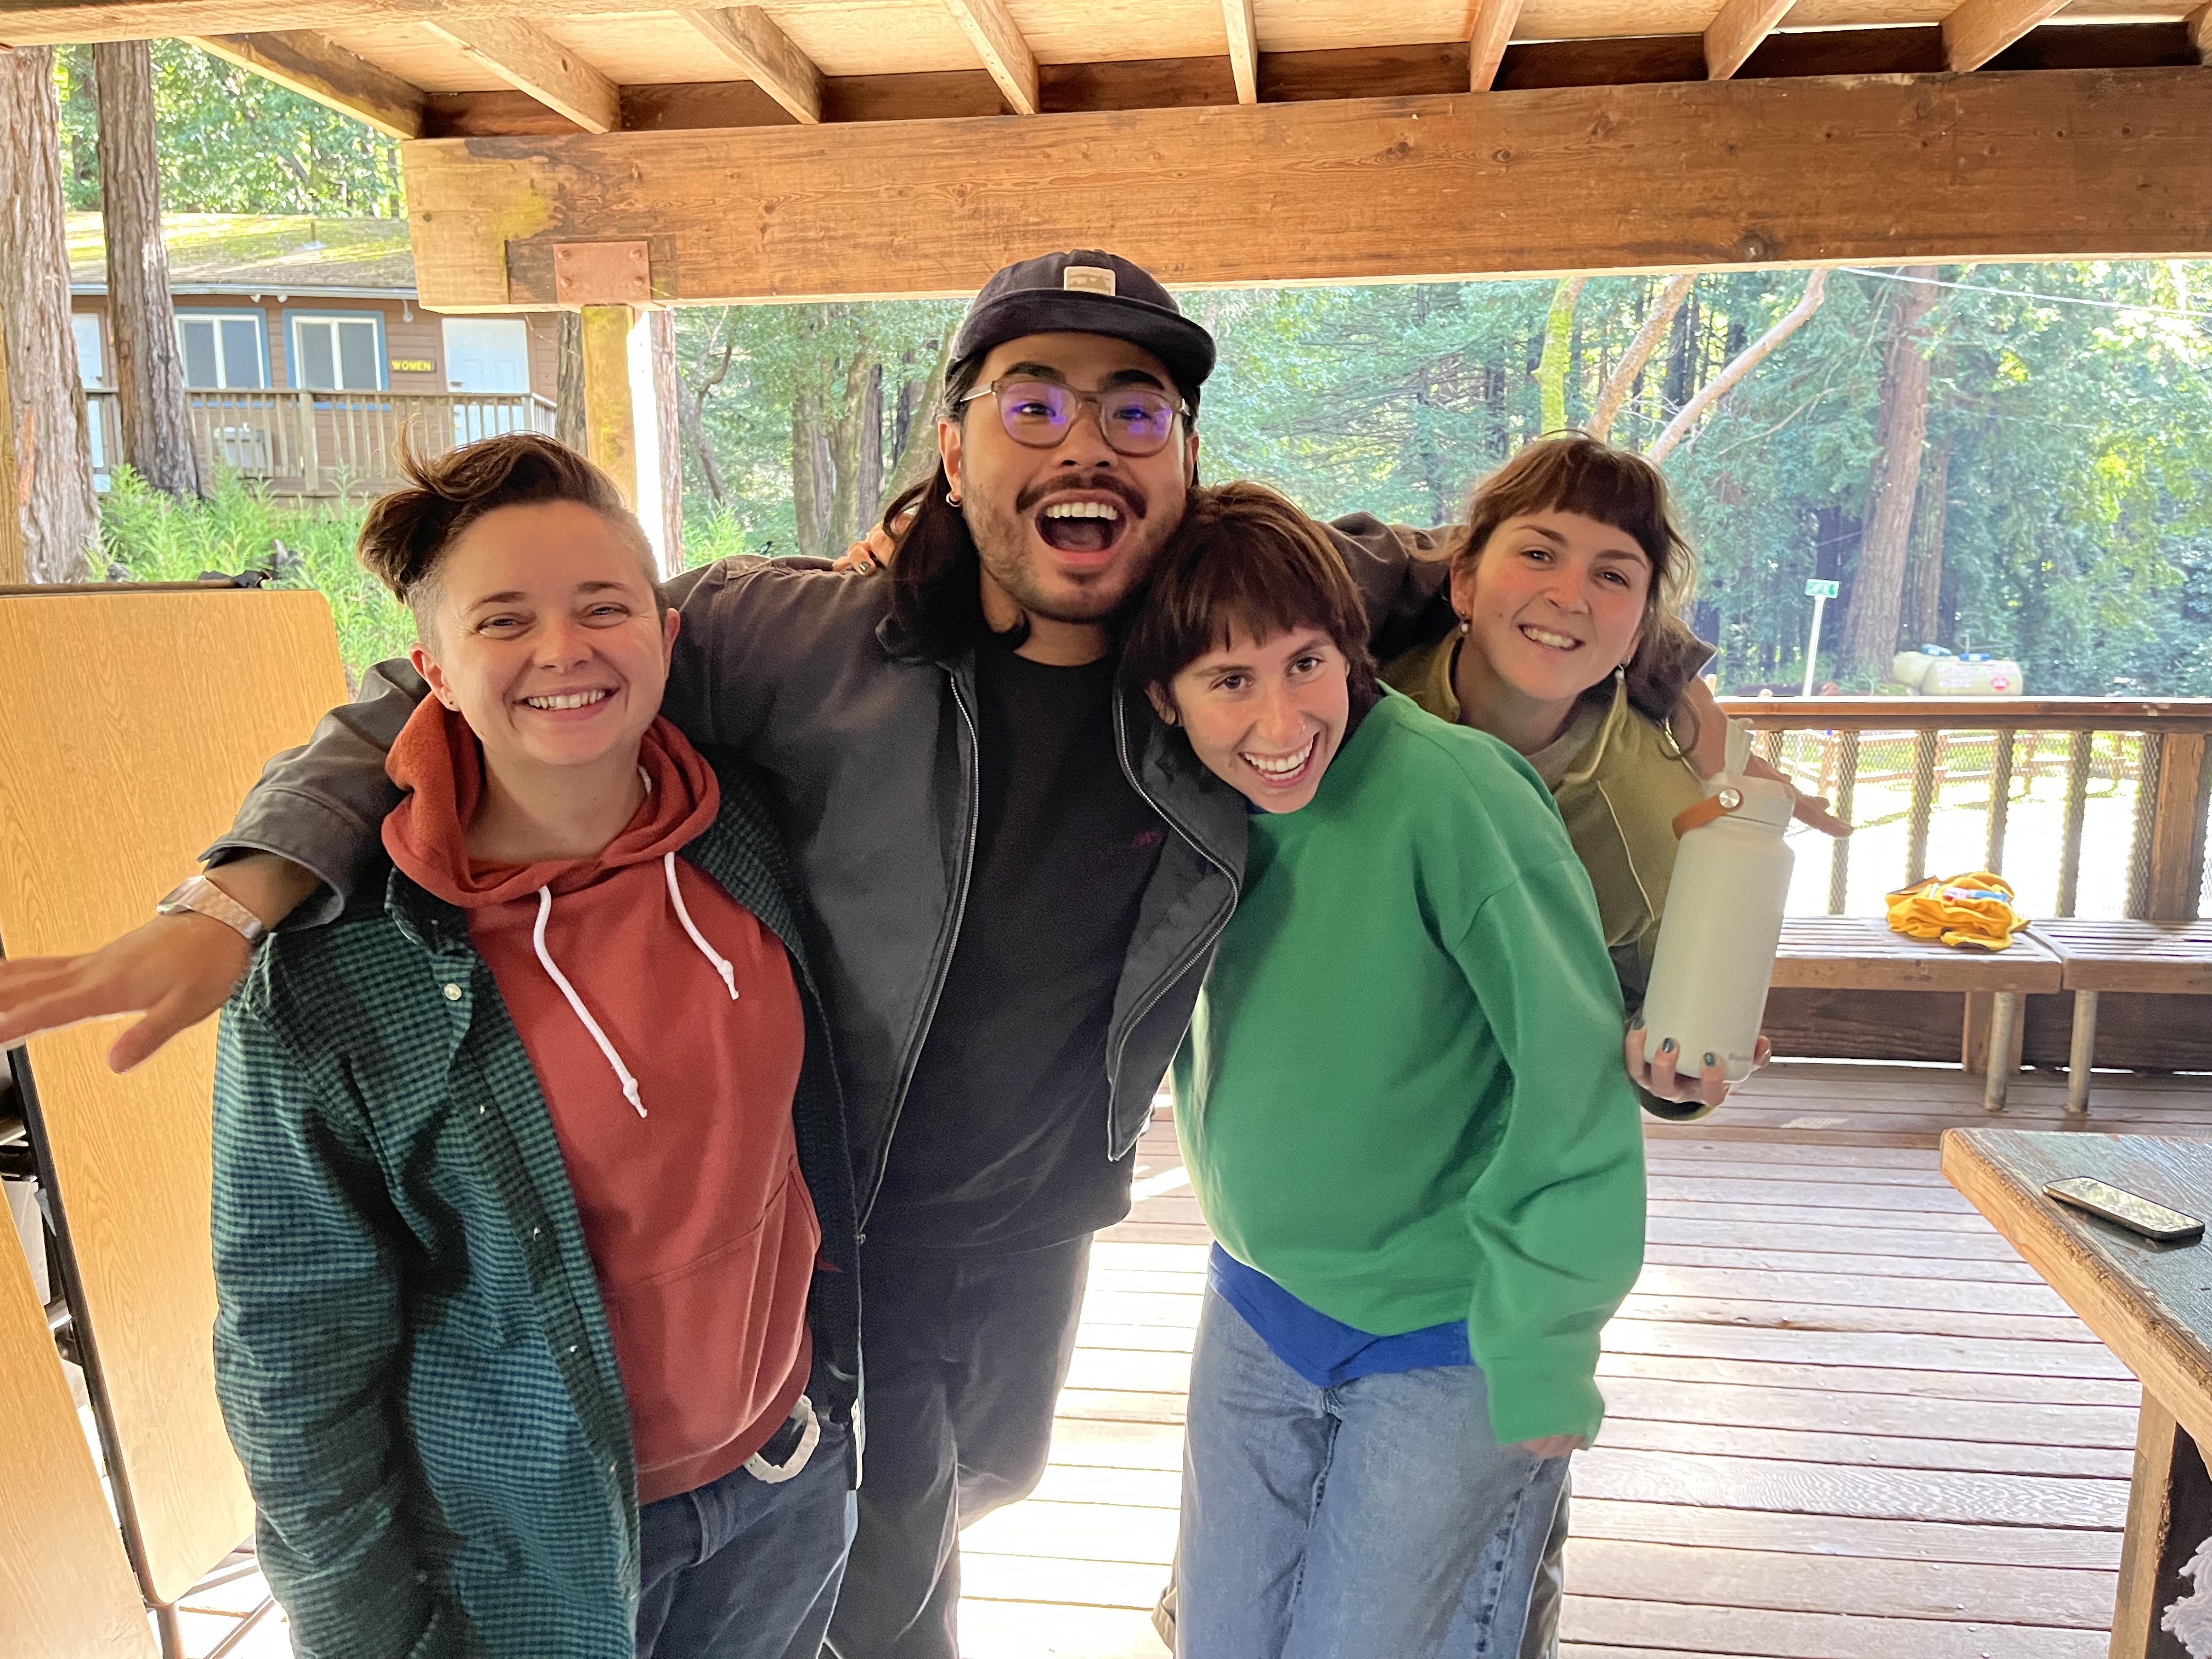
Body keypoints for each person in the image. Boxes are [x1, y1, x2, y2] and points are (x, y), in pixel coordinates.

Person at [0, 251, 1446, 1659]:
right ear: (953, 447)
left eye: (1137, 412)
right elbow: (450, 690)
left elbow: (1453, 571)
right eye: (1032, 403)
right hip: (839, 1224)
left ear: (1185, 461)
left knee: (966, 1501)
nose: (1087, 441)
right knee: (880, 1593)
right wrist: (235, 897)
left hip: (1041, 1222)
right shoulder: (804, 640)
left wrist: (1640, 696)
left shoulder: (1218, 652)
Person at [207, 434, 860, 1657]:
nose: (564, 652)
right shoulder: (333, 979)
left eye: (603, 607)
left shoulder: (751, 835)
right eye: (503, 621)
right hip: (529, 1555)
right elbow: (293, 1353)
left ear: (666, 639)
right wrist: (363, 1633)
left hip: (785, 1478)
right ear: (433, 674)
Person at [1123, 483, 1645, 1656]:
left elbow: (1571, 1073)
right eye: (1229, 681)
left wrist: (1554, 1335)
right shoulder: (1191, 802)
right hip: (1258, 1303)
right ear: (1169, 699)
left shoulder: (1456, 794)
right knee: (1220, 1638)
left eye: (1305, 664)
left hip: (1448, 1335)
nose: (1279, 719)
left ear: (1351, 651)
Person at [1378, 433, 1850, 1655]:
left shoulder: (1655, 806)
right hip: (1331, 1177)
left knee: (1492, 1537)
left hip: (1504, 1215)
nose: (1569, 596)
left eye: (1614, 576)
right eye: (1538, 553)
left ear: (1640, 625)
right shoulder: (1352, 694)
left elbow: (1679, 1015)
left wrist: (1681, 1077)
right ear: (1466, 578)